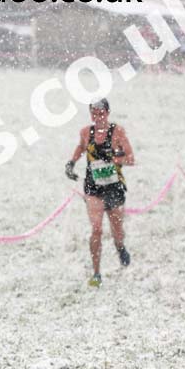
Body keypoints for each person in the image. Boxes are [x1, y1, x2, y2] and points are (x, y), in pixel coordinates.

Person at [65, 99, 135, 288]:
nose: (98, 117)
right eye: (94, 113)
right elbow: (81, 147)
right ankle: (96, 273)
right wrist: (71, 163)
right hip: (93, 187)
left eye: (101, 113)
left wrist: (115, 159)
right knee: (96, 229)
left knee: (117, 229)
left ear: (108, 112)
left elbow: (131, 158)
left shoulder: (117, 132)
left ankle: (120, 247)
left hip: (114, 187)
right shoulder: (86, 132)